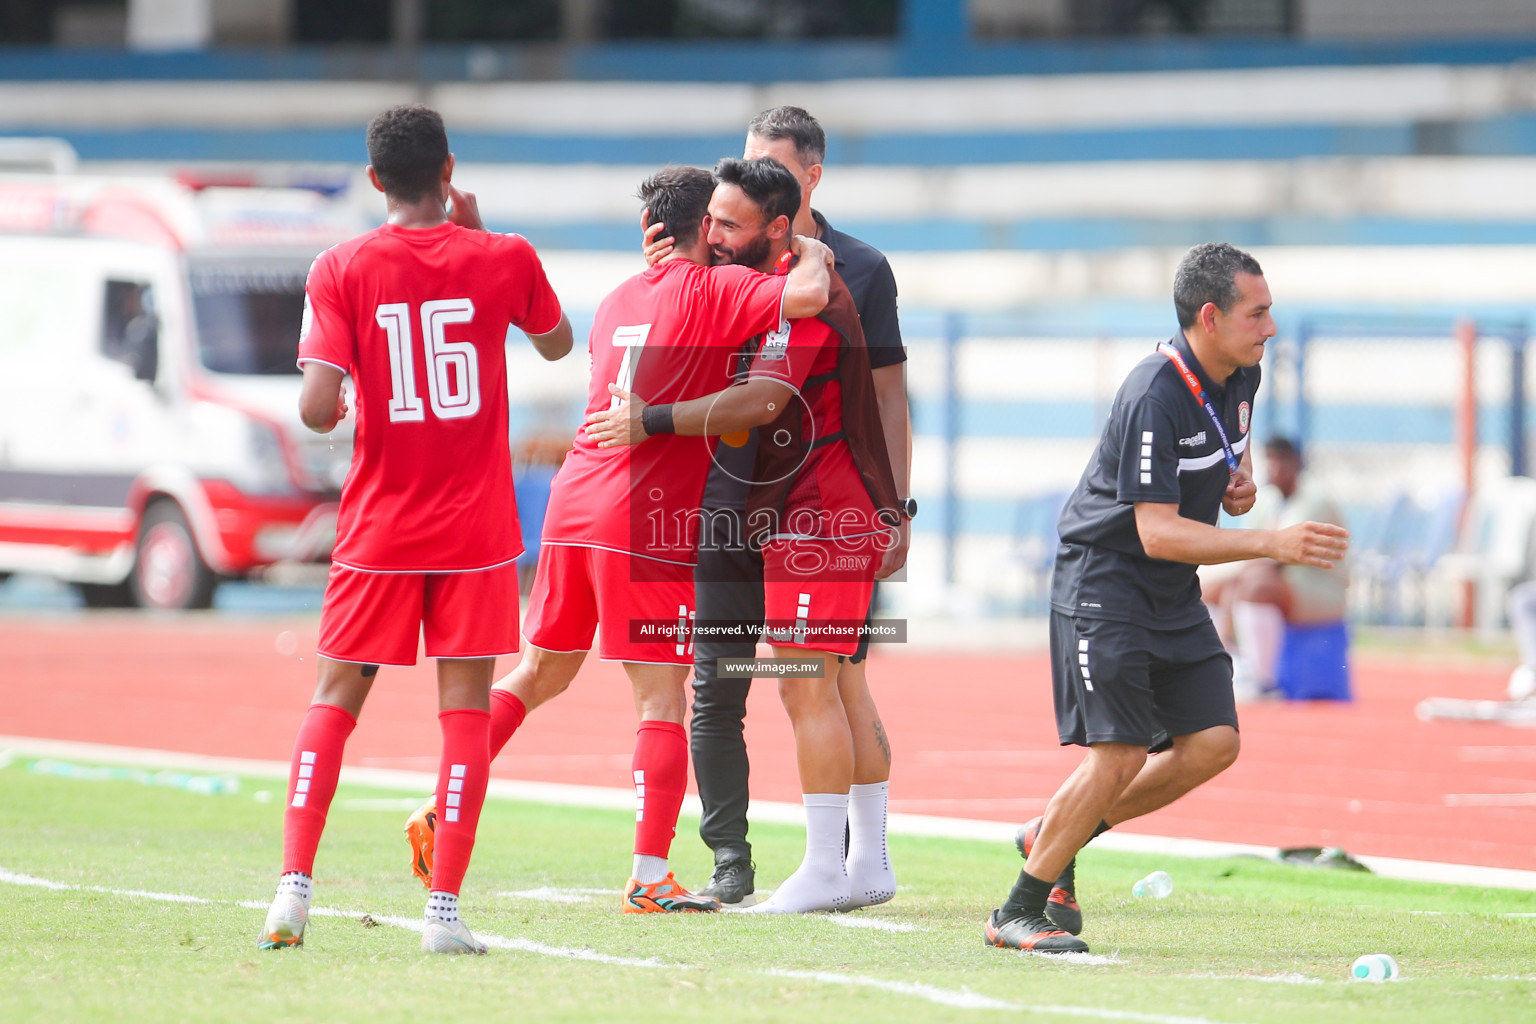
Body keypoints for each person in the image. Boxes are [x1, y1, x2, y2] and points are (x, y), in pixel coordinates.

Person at [401, 165, 837, 913]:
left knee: (537, 673)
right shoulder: (713, 288)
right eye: (722, 224)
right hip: (639, 516)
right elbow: (808, 294)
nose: (729, 237)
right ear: (704, 228)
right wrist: (808, 241)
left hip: (572, 505)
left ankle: (444, 798)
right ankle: (648, 870)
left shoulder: (616, 300)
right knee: (662, 699)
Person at [258, 104, 573, 954]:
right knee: (464, 714)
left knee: (335, 701)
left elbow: (318, 409)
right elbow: (555, 343)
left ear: (373, 181)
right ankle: (443, 914)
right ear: (449, 171)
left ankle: (293, 888)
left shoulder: (340, 266)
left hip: (378, 529)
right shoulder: (505, 257)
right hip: (473, 531)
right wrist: (484, 233)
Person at [984, 243, 1349, 953]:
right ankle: (1017, 910)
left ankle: (1055, 833)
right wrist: (1271, 542)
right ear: (1209, 318)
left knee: (1213, 744)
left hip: (1168, 589)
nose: (1271, 327)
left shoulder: (1244, 370)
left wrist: (1237, 486)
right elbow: (1154, 531)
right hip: (1106, 582)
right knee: (1116, 754)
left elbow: (1227, 453)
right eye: (1258, 312)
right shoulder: (1154, 391)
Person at [589, 156, 900, 914]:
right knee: (828, 685)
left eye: (729, 224)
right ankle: (867, 867)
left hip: (816, 511)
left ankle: (829, 868)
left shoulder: (806, 300)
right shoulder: (756, 291)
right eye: (709, 223)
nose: (714, 236)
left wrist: (650, 422)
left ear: (780, 230)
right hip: (795, 509)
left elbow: (762, 401)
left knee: (810, 688)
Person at [1206, 437, 1349, 698]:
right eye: (1270, 460)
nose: (1274, 468)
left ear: (1297, 464)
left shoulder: (1314, 499)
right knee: (1211, 588)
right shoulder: (1268, 498)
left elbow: (1278, 557)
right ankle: (1220, 668)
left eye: (1282, 461)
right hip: (1281, 581)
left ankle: (1263, 683)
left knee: (1256, 586)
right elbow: (1252, 550)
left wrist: (1231, 580)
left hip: (1320, 586)